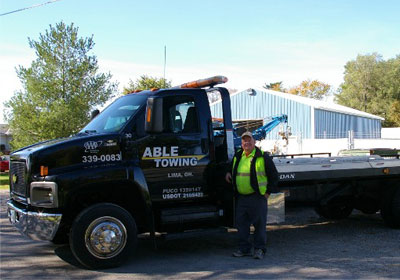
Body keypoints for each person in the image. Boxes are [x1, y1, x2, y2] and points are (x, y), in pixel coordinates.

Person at [225, 131, 278, 260]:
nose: (246, 143)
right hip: (242, 197)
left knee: (259, 225)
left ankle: (259, 249)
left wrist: (267, 193)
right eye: (244, 141)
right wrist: (228, 172)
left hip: (257, 197)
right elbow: (232, 167)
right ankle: (244, 249)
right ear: (241, 143)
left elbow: (274, 176)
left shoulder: (262, 157)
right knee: (241, 225)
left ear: (255, 142)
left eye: (249, 140)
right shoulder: (238, 156)